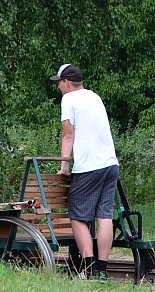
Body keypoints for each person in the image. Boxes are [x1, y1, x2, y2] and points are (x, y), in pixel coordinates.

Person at [50, 64, 119, 280]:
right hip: (110, 164)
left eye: (59, 82)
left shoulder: (69, 99)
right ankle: (102, 270)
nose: (59, 86)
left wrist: (64, 166)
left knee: (77, 214)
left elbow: (68, 135)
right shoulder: (94, 97)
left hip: (89, 166)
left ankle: (88, 268)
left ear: (66, 82)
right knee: (104, 214)